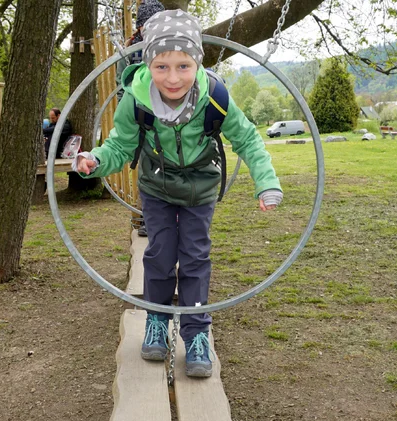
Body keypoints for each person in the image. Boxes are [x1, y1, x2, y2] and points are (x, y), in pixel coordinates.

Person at [73, 10, 283, 378]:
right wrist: (96, 160)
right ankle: (157, 318)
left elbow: (248, 139)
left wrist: (266, 182)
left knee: (194, 256)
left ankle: (196, 332)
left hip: (200, 187)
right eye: (162, 67)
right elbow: (120, 147)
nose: (173, 78)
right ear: (148, 64)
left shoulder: (215, 97)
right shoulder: (135, 100)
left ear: (197, 62)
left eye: (183, 66)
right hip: (156, 186)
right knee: (159, 253)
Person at [115, 0, 165, 237]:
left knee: (171, 166)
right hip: (143, 118)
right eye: (148, 24)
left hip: (168, 116)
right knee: (148, 170)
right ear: (141, 26)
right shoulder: (131, 49)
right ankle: (149, 219)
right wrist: (129, 111)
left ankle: (170, 217)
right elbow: (122, 85)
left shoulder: (169, 45)